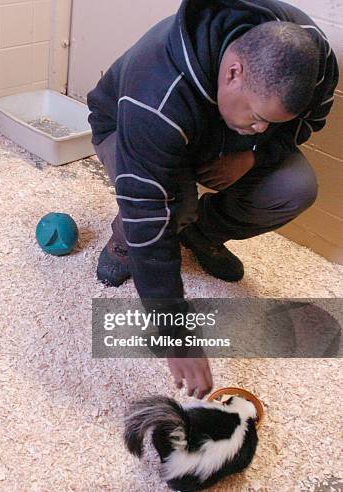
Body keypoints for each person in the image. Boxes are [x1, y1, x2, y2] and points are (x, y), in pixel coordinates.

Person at [87, 0, 338, 398]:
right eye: (257, 116)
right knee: (169, 207)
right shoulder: (156, 94)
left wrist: (254, 151)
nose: (261, 127)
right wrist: (175, 334)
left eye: (272, 122)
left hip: (215, 138)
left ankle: (202, 234)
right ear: (234, 71)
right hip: (128, 132)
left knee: (295, 186)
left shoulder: (315, 61)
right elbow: (147, 209)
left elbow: (309, 123)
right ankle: (124, 240)